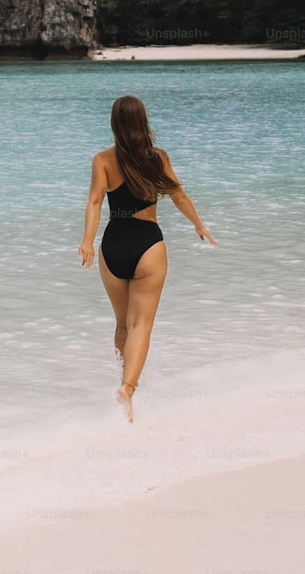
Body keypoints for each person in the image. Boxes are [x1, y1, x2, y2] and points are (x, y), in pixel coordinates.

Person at [78, 95, 217, 422]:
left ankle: (122, 385)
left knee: (123, 323)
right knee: (141, 325)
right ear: (144, 122)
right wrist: (198, 225)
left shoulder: (102, 160)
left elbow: (96, 203)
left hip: (112, 245)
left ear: (114, 123)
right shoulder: (157, 158)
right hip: (147, 245)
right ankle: (127, 388)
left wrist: (87, 242)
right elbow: (178, 194)